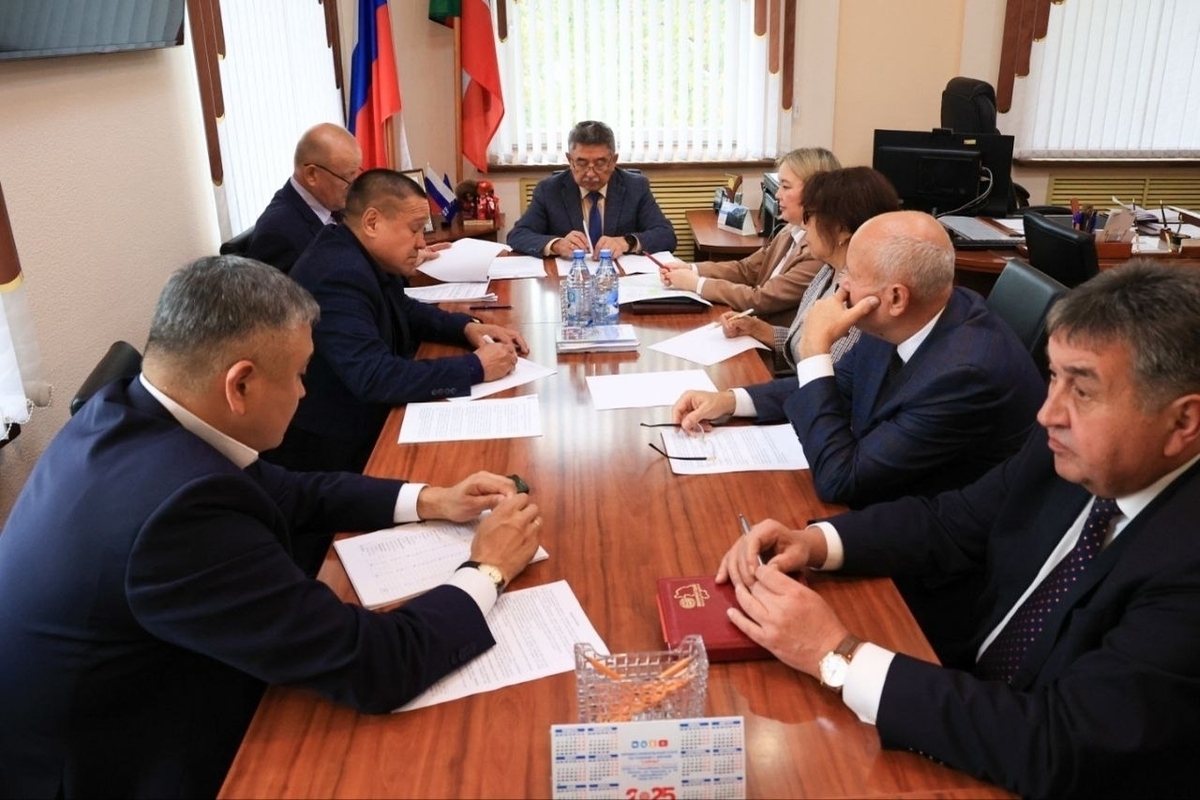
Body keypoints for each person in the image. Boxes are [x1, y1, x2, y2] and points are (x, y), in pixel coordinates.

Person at [0, 256, 543, 799]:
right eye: (301, 374)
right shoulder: (179, 515)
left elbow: (289, 492)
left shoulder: (128, 408)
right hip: (126, 763)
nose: (305, 393)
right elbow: (375, 665)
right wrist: (488, 569)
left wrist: (433, 499)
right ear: (240, 385)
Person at [716, 261, 1200, 798]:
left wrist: (836, 655)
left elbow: (1062, 744)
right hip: (969, 692)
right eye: (1053, 377)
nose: (1048, 413)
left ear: (1183, 422)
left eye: (1082, 391)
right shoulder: (1075, 452)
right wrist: (814, 542)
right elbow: (951, 522)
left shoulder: (1186, 564)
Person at [672, 209, 1044, 508]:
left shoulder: (965, 374)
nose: (842, 284)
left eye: (852, 274)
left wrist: (815, 351)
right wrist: (731, 401)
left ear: (896, 298)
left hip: (928, 543)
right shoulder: (904, 317)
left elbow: (841, 479)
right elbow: (842, 385)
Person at [267, 169, 528, 480]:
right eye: (415, 229)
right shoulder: (337, 274)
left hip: (368, 418)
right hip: (338, 451)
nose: (421, 243)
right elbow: (374, 376)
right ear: (372, 222)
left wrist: (465, 328)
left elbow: (402, 307)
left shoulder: (359, 252)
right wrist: (476, 367)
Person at [713, 166, 899, 374]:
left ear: (841, 229)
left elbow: (831, 374)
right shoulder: (828, 271)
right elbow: (804, 345)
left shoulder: (862, 297)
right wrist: (757, 329)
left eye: (809, 216)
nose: (803, 225)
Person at [656, 147, 841, 327]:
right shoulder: (790, 230)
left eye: (785, 186)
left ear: (815, 193)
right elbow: (746, 269)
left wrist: (697, 284)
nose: (777, 194)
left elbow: (761, 299)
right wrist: (692, 268)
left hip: (771, 340)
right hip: (749, 327)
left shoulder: (818, 252)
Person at [506, 120, 677, 259]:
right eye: (581, 163)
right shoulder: (549, 190)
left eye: (600, 163)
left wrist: (626, 242)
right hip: (569, 279)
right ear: (570, 160)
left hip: (620, 279)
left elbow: (666, 235)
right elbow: (518, 235)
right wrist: (557, 244)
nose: (590, 173)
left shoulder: (635, 187)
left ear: (613, 161)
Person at [243, 122, 362, 273]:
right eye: (347, 177)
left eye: (356, 173)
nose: (354, 185)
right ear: (312, 175)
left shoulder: (332, 203)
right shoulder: (279, 235)